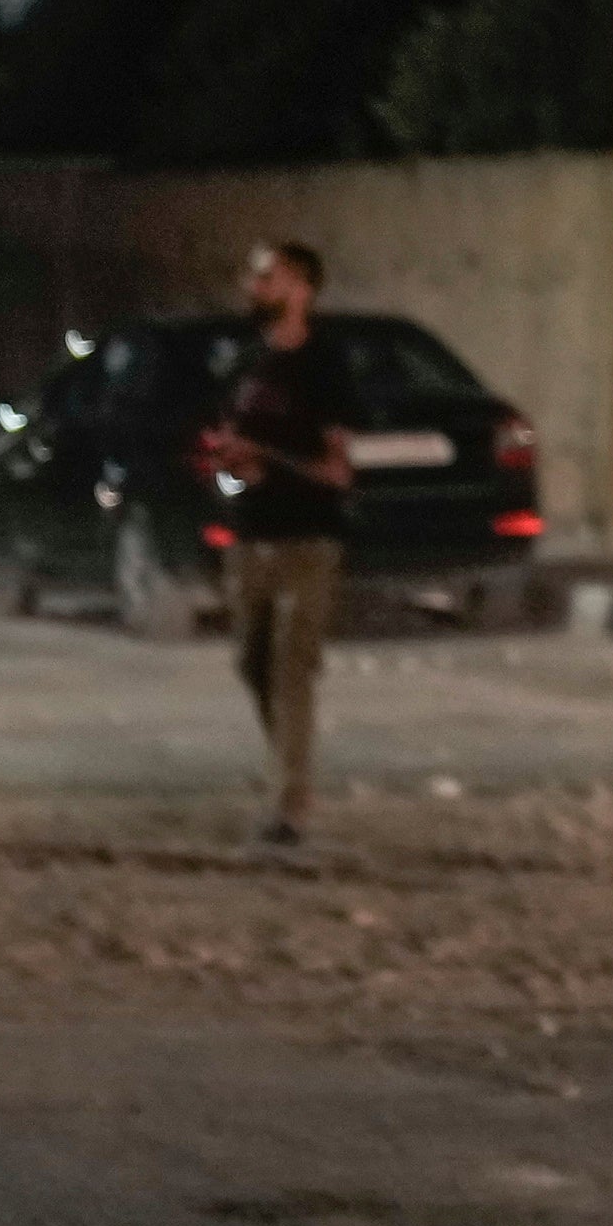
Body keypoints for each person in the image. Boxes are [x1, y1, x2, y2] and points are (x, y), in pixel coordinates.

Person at [205, 239, 356, 847]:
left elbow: (337, 470)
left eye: (266, 276)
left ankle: (290, 800)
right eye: (252, 274)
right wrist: (228, 463)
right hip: (249, 536)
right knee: (253, 664)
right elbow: (226, 441)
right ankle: (288, 772)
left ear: (302, 289)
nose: (253, 286)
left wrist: (270, 461)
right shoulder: (244, 362)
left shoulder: (325, 364)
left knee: (293, 669)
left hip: (308, 538)